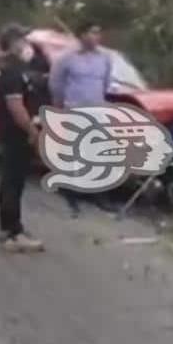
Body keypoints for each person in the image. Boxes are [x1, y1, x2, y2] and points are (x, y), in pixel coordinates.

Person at [48, 20, 113, 217]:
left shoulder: (105, 58)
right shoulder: (67, 58)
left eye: (98, 33)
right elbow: (56, 84)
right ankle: (71, 194)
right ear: (82, 35)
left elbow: (106, 83)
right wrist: (61, 105)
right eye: (92, 33)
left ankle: (98, 194)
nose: (96, 37)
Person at [0, 24, 45, 253]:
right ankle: (14, 233)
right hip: (16, 132)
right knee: (14, 182)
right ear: (13, 42)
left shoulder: (3, 68)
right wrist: (32, 132)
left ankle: (7, 228)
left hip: (7, 131)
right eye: (22, 39)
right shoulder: (13, 71)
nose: (26, 43)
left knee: (8, 180)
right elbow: (16, 107)